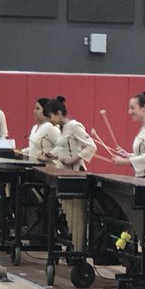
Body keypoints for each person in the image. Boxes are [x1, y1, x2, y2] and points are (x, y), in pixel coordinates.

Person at [45, 96, 97, 252]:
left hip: (75, 174)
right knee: (63, 213)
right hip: (65, 174)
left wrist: (74, 158)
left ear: (59, 113)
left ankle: (78, 246)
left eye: (51, 116)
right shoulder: (62, 129)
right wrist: (52, 155)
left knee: (77, 212)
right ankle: (71, 243)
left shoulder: (74, 126)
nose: (50, 120)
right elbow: (63, 148)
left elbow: (91, 146)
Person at [112, 90, 145, 179]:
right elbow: (144, 154)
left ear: (144, 108)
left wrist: (125, 161)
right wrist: (129, 155)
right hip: (144, 178)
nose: (129, 112)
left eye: (133, 108)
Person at [20, 98, 58, 164]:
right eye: (34, 108)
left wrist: (48, 156)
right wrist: (21, 152)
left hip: (46, 168)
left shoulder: (51, 127)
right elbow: (33, 148)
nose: (34, 111)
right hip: (33, 167)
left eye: (38, 109)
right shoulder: (34, 127)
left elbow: (62, 147)